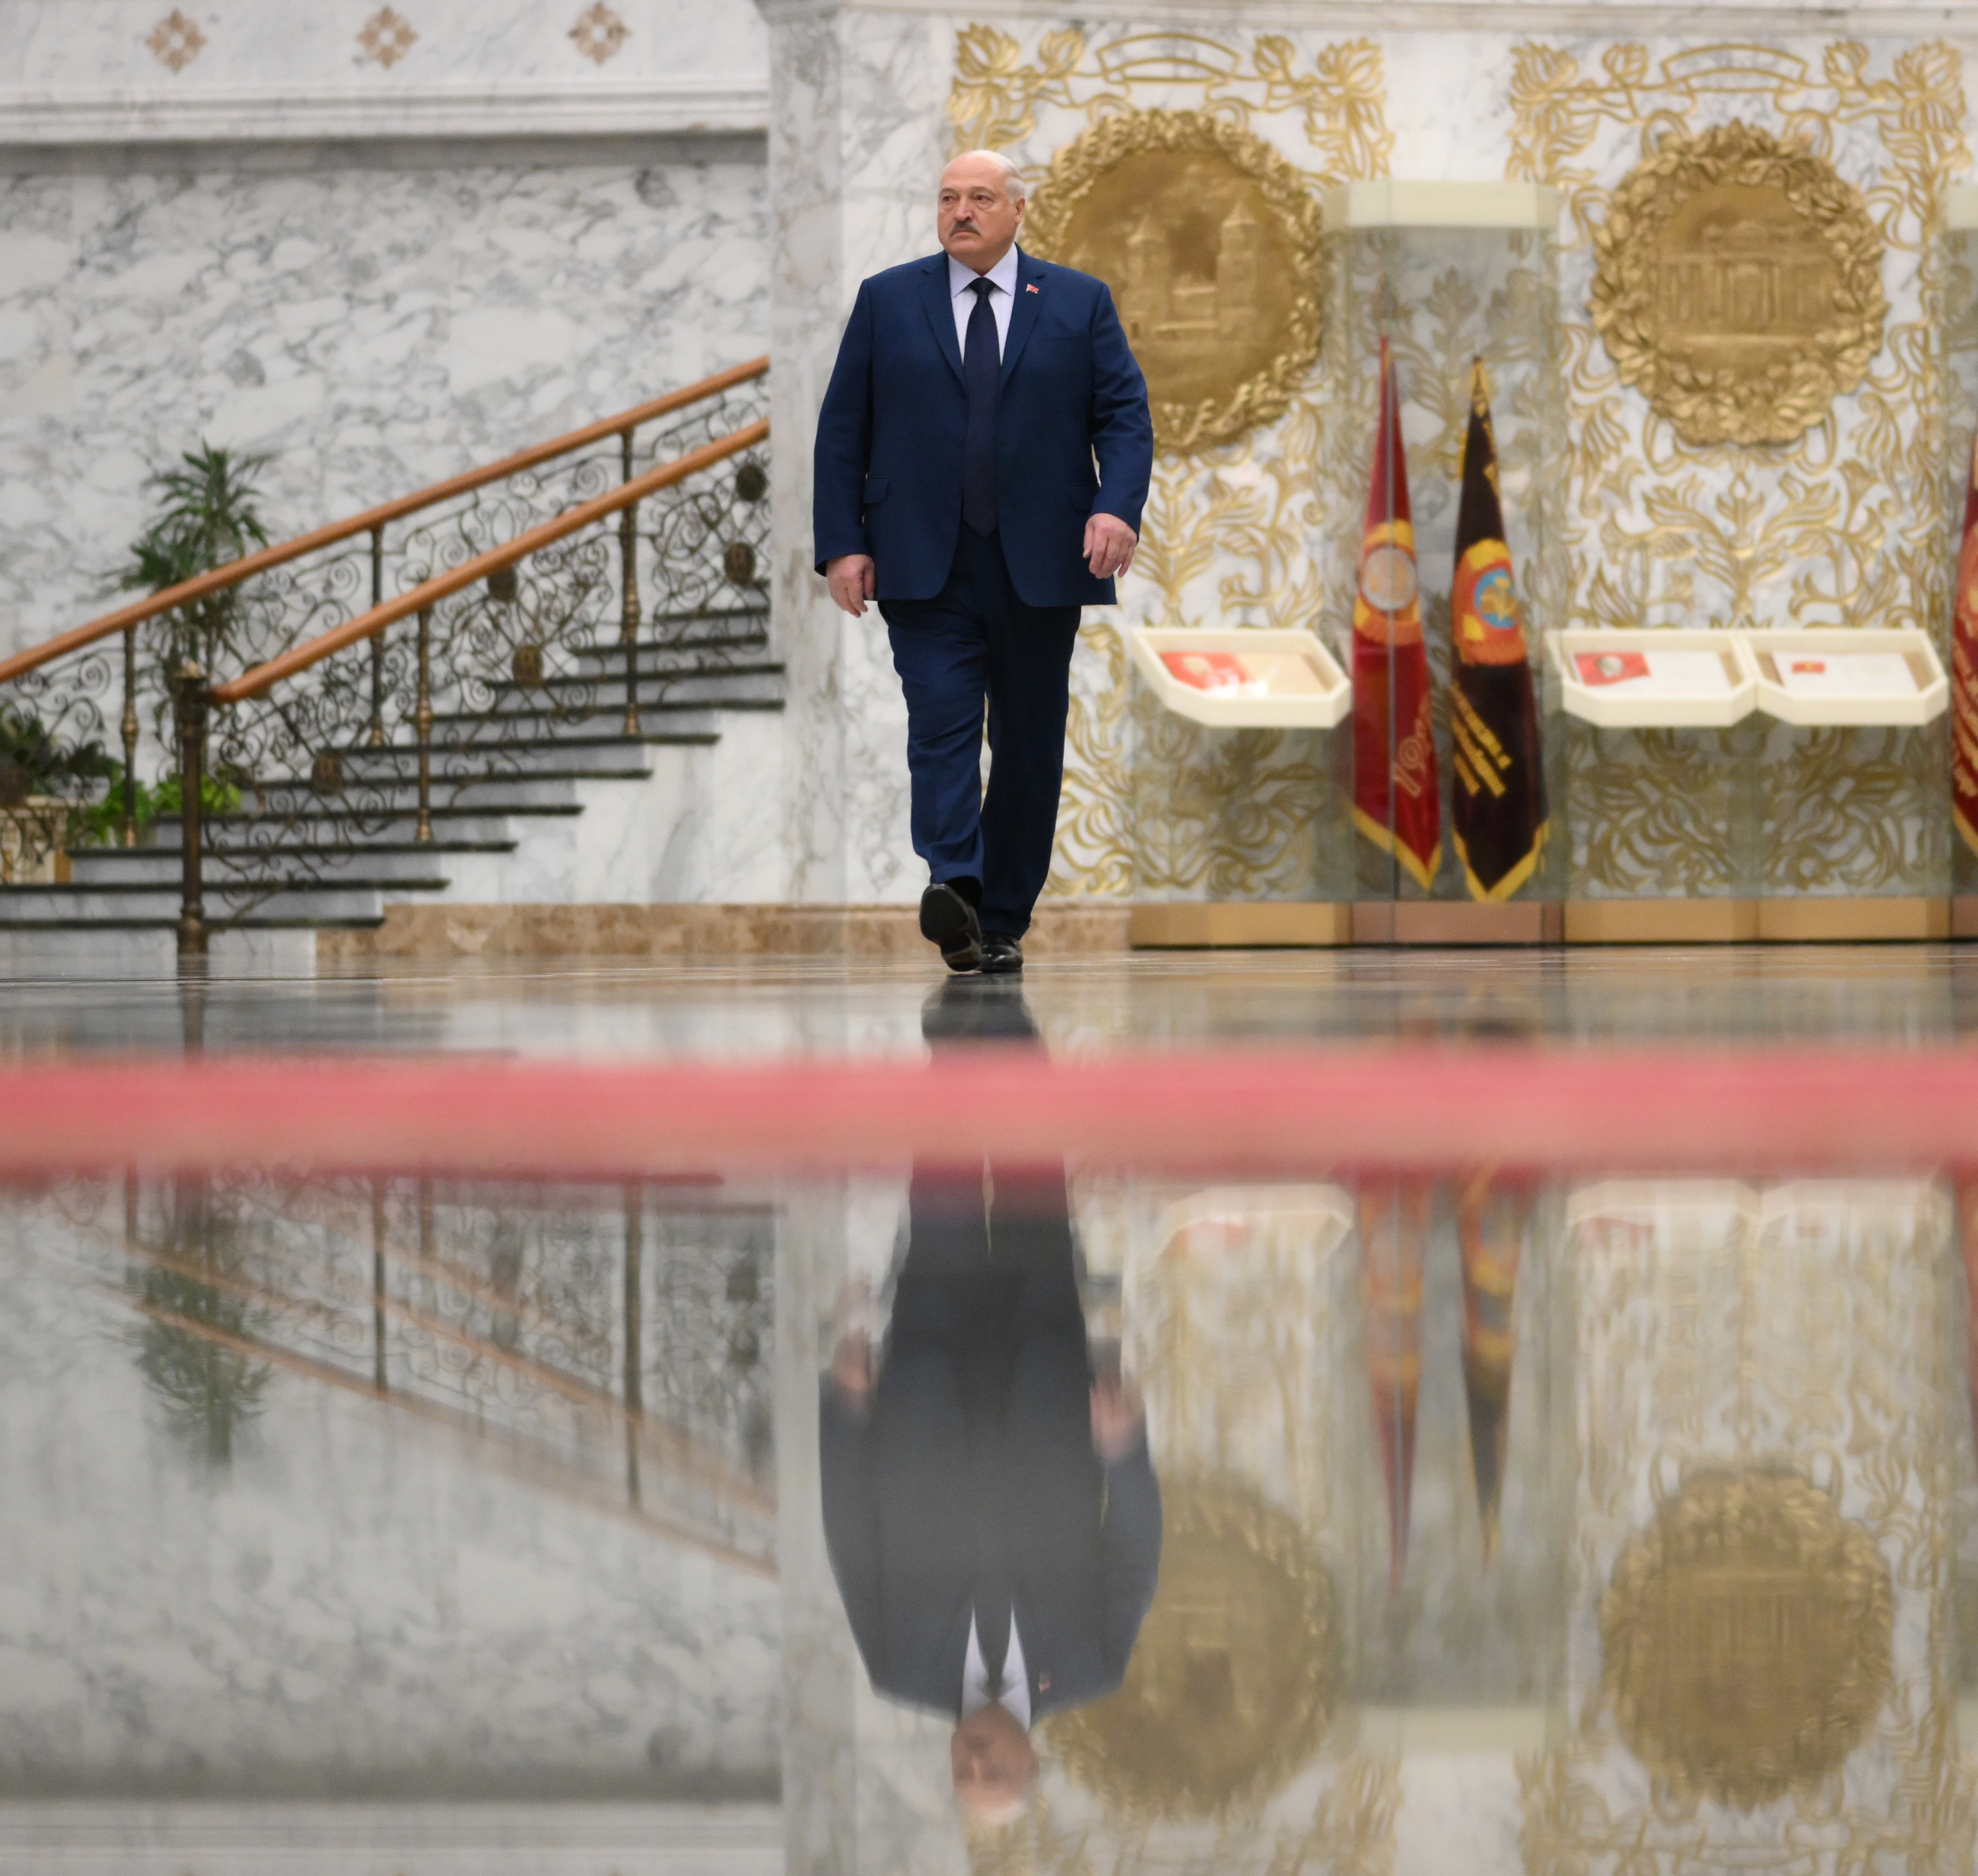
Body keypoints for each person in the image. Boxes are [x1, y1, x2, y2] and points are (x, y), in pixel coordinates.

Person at [819, 979, 1162, 1825]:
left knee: (937, 1195)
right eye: (994, 1772)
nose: (975, 1759)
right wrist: (1124, 1448)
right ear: (1030, 1761)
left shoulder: (897, 1666)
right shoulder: (1090, 1666)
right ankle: (1004, 1022)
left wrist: (847, 1409)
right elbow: (1133, 1549)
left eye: (965, 1775)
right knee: (1029, 1184)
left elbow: (849, 1535)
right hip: (1045, 1375)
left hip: (925, 1386)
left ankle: (948, 1042)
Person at [813, 151, 1155, 976]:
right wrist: (842, 545)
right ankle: (954, 884)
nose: (961, 212)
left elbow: (1125, 416)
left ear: (1017, 210)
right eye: (947, 199)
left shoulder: (1077, 302)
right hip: (923, 562)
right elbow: (841, 431)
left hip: (1042, 562)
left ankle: (1002, 916)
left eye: (979, 198)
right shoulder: (888, 300)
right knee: (940, 726)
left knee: (1030, 745)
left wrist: (1116, 508)